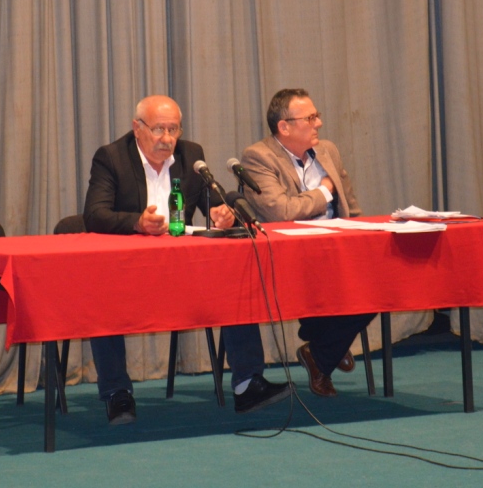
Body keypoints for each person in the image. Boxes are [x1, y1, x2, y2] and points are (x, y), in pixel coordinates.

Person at [82, 95, 291, 424]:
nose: (167, 138)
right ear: (137, 128)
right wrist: (137, 222)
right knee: (101, 293)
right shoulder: (112, 157)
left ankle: (248, 385)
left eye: (174, 129)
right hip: (129, 270)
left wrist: (222, 214)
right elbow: (94, 214)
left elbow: (211, 203)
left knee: (235, 280)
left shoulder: (191, 155)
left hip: (183, 269)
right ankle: (116, 393)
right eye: (159, 129)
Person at [239, 88, 376, 397]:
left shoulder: (327, 151)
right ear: (284, 127)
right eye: (310, 118)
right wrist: (325, 191)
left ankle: (321, 351)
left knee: (380, 284)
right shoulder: (258, 157)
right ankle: (327, 348)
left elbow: (350, 206)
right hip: (290, 258)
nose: (319, 123)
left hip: (336, 249)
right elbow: (282, 211)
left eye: (317, 116)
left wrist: (363, 242)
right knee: (330, 290)